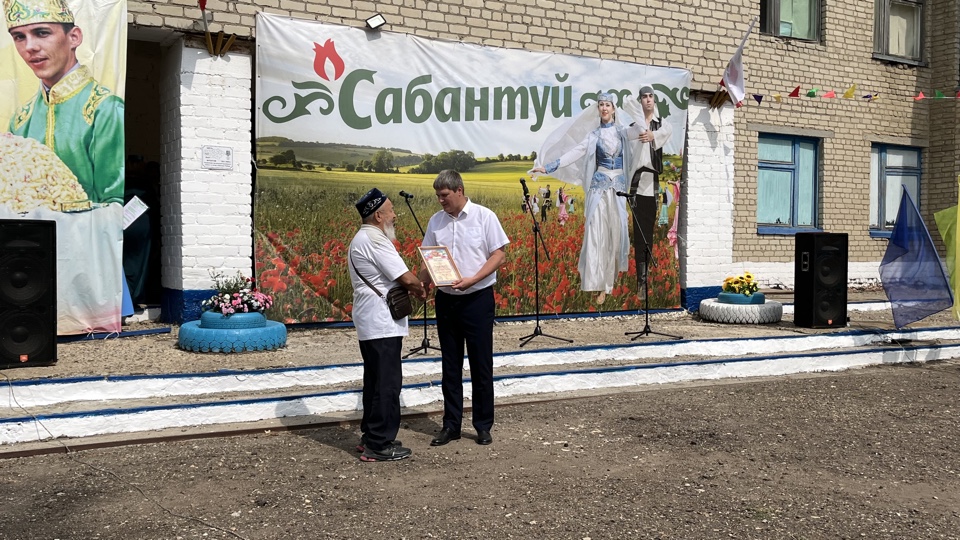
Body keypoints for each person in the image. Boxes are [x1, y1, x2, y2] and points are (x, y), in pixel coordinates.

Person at [419, 170, 509, 447]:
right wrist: (421, 283)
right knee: (450, 365)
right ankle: (451, 425)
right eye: (437, 196)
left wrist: (474, 279)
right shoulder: (436, 221)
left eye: (444, 195)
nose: (440, 200)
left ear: (459, 190)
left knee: (481, 365)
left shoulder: (484, 216)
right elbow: (429, 258)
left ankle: (483, 425)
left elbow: (499, 254)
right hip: (447, 300)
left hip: (477, 298)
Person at [530, 91, 645, 304]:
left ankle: (609, 281)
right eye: (601, 105)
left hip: (618, 189)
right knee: (596, 234)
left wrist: (636, 109)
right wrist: (548, 167)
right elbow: (574, 153)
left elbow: (640, 130)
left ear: (613, 109)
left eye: (608, 105)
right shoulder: (593, 136)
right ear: (598, 109)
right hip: (599, 188)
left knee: (616, 233)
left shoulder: (622, 132)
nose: (604, 108)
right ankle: (598, 284)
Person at [5, 0, 125, 204]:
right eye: (19, 37)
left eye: (42, 33)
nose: (30, 47)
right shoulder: (20, 120)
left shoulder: (104, 109)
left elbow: (114, 202)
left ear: (74, 37)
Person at [348, 188, 425, 462]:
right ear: (378, 216)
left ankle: (371, 435)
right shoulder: (375, 240)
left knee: (375, 380)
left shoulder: (361, 238)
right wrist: (421, 287)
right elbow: (405, 278)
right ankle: (379, 444)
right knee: (387, 383)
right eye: (391, 210)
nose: (395, 215)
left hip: (371, 320)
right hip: (381, 321)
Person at [623, 86, 673, 286]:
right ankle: (640, 280)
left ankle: (646, 277)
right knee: (638, 231)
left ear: (654, 100)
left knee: (648, 230)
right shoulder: (633, 127)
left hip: (651, 183)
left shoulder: (662, 124)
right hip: (636, 184)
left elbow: (665, 132)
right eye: (644, 97)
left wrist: (653, 136)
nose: (648, 99)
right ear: (640, 101)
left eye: (651, 96)